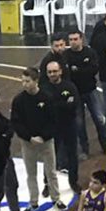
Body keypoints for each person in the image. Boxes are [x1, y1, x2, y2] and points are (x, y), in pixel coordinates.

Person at [11, 67, 64, 211]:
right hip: (28, 143)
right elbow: (16, 123)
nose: (24, 84)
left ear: (36, 81)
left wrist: (43, 136)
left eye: (27, 81)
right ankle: (33, 201)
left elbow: (53, 120)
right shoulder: (19, 100)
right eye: (23, 81)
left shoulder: (47, 97)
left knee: (51, 171)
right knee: (31, 173)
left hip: (46, 141)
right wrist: (29, 137)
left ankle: (56, 198)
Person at [65, 30, 106, 157]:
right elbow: (67, 74)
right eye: (71, 40)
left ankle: (105, 144)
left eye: (75, 39)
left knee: (99, 119)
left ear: (81, 39)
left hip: (90, 90)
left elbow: (94, 69)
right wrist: (82, 71)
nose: (73, 42)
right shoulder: (66, 55)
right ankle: (84, 149)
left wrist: (77, 71)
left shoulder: (89, 52)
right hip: (75, 94)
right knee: (79, 123)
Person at [41, 61, 81, 189]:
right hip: (52, 127)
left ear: (60, 71)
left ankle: (73, 182)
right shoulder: (43, 89)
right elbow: (45, 108)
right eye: (50, 72)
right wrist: (64, 104)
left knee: (72, 154)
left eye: (54, 71)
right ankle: (47, 183)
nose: (52, 74)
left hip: (69, 125)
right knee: (50, 156)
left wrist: (55, 104)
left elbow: (74, 104)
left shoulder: (69, 86)